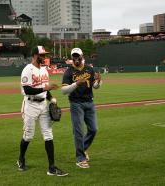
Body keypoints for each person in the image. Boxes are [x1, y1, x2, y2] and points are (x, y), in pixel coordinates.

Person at [17, 46, 68, 177]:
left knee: (48, 135)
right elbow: (28, 90)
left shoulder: (45, 70)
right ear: (34, 55)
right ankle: (21, 159)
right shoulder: (27, 70)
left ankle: (51, 167)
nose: (45, 57)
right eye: (42, 55)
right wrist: (46, 88)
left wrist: (51, 98)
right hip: (30, 105)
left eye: (45, 55)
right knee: (28, 135)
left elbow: (45, 88)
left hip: (44, 105)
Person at [61, 48, 102, 169]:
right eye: (74, 56)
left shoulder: (89, 69)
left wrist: (99, 82)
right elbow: (63, 90)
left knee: (93, 129)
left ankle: (82, 149)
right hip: (76, 104)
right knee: (78, 131)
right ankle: (80, 158)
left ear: (82, 56)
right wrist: (76, 84)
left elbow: (95, 86)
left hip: (89, 102)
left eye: (77, 56)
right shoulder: (69, 72)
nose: (76, 58)